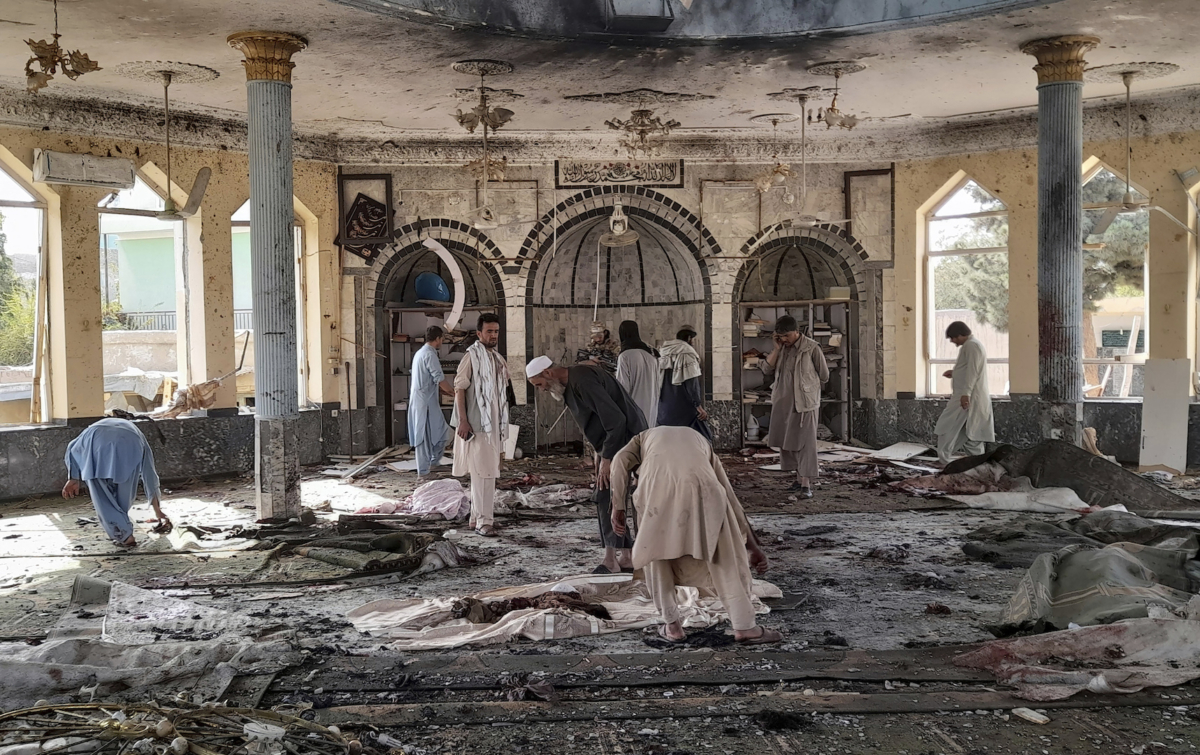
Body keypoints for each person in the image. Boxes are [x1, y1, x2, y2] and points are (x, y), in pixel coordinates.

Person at [610, 426, 782, 645]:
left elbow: (618, 462)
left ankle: (672, 627)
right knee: (726, 558)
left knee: (657, 559)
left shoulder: (639, 440)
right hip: (705, 490)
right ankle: (745, 627)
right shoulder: (701, 442)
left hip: (656, 493)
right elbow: (729, 496)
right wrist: (752, 547)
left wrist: (618, 508)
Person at [527, 356, 646, 574]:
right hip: (614, 442)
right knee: (607, 494)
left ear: (547, 373)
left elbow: (616, 420)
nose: (541, 390)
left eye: (539, 384)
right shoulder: (573, 380)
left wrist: (608, 458)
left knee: (605, 494)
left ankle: (612, 559)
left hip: (625, 440)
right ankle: (625, 555)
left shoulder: (582, 381)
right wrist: (600, 453)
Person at [62, 417, 170, 548]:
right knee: (124, 496)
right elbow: (149, 475)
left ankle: (124, 535)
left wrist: (73, 478)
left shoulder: (90, 430)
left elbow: (72, 448)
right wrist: (157, 509)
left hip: (95, 441)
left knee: (102, 497)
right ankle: (123, 531)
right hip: (129, 442)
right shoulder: (138, 435)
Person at [451, 313, 509, 537]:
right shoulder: (471, 356)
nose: (493, 335)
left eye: (496, 331)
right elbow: (459, 388)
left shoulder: (495, 357)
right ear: (479, 333)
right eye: (489, 331)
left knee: (487, 472)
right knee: (483, 474)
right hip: (477, 425)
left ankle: (477, 517)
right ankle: (485, 522)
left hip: (493, 425)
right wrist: (463, 421)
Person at [763, 315, 828, 498]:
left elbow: (824, 375)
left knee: (806, 443)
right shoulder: (782, 348)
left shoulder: (812, 348)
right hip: (783, 402)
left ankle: (806, 485)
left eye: (788, 336)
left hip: (805, 403)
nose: (785, 339)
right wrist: (776, 349)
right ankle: (798, 479)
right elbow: (766, 369)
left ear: (797, 332)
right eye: (781, 336)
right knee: (788, 441)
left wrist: (808, 385)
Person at [934, 321, 995, 464]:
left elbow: (974, 371)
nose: (953, 342)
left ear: (960, 334)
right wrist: (956, 373)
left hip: (966, 398)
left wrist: (966, 393)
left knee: (946, 427)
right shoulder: (972, 345)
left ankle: (945, 460)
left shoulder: (972, 346)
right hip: (968, 397)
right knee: (970, 435)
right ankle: (977, 464)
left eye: (953, 338)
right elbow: (970, 369)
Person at [408, 326, 455, 477]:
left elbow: (433, 381)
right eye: (442, 339)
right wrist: (456, 393)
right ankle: (423, 470)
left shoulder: (420, 353)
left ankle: (434, 462)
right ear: (438, 339)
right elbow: (439, 379)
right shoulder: (429, 355)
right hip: (424, 403)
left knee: (442, 433)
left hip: (426, 400)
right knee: (423, 437)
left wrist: (445, 391)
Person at [657, 326, 711, 441]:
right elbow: (692, 384)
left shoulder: (663, 353)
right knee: (703, 438)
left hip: (664, 407)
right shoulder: (687, 354)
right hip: (683, 406)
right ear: (689, 338)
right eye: (692, 340)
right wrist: (698, 406)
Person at [615, 320, 659, 430]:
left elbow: (622, 388)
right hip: (652, 408)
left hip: (633, 410)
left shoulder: (625, 356)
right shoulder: (651, 354)